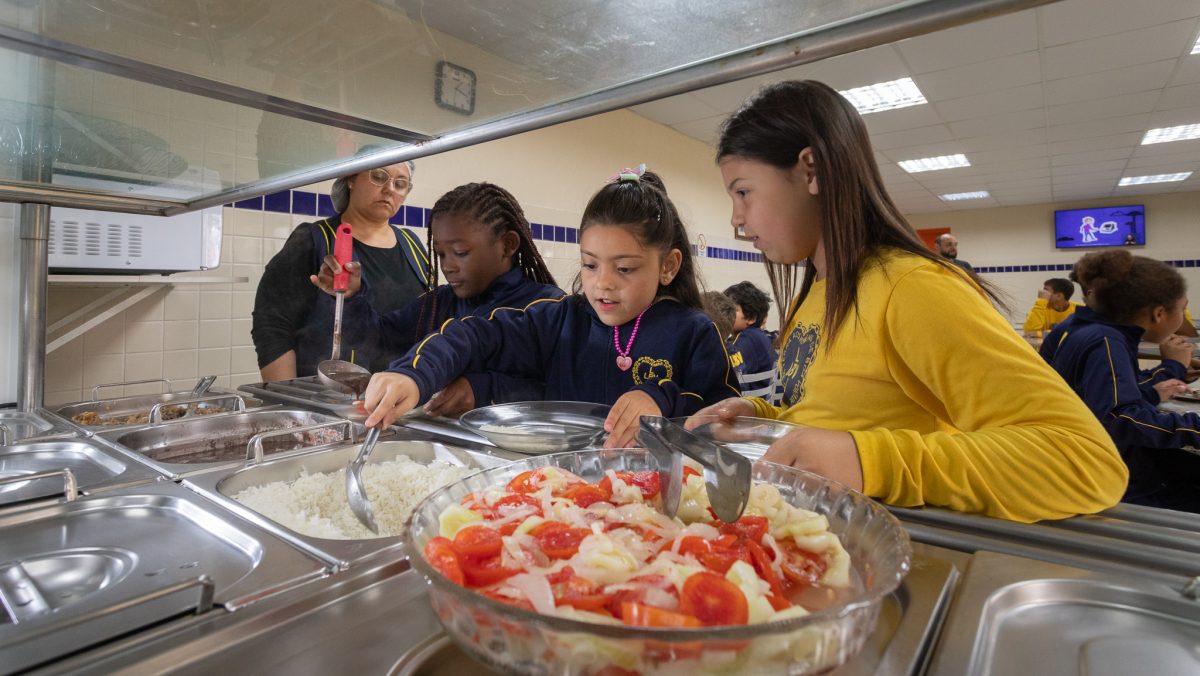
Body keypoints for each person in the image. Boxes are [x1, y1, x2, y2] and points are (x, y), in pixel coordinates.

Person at [696, 80, 1126, 523]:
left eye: (743, 192)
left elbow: (1083, 458)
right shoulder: (819, 289)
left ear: (811, 170)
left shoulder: (913, 287)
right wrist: (761, 417)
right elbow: (844, 411)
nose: (737, 218)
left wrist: (870, 461)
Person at [360, 166, 741, 448]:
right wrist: (413, 375)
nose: (602, 283)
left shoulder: (692, 331)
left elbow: (723, 417)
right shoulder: (560, 319)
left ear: (668, 266)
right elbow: (474, 334)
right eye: (590, 265)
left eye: (624, 268)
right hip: (561, 487)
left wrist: (662, 399)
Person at [310, 182, 565, 416]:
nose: (448, 267)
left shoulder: (548, 308)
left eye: (460, 253)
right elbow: (379, 339)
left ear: (508, 245)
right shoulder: (438, 303)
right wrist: (352, 299)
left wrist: (485, 390)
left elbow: (562, 393)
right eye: (441, 254)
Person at [1046, 251, 1200, 513]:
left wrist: (1166, 375)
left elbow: (1096, 396)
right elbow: (1121, 419)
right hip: (1103, 478)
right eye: (1183, 309)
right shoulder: (1106, 341)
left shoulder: (1076, 326)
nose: (1183, 317)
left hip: (1076, 460)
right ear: (1159, 313)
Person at [252, 153, 430, 380]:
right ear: (351, 178)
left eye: (400, 183)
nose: (390, 189)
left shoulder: (412, 244)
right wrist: (284, 394)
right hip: (326, 398)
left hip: (405, 394)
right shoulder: (314, 240)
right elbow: (272, 323)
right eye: (378, 176)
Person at [723, 281, 776, 376]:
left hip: (750, 390)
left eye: (733, 309)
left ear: (751, 318)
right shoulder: (757, 335)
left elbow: (729, 371)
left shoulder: (748, 339)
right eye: (725, 308)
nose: (726, 313)